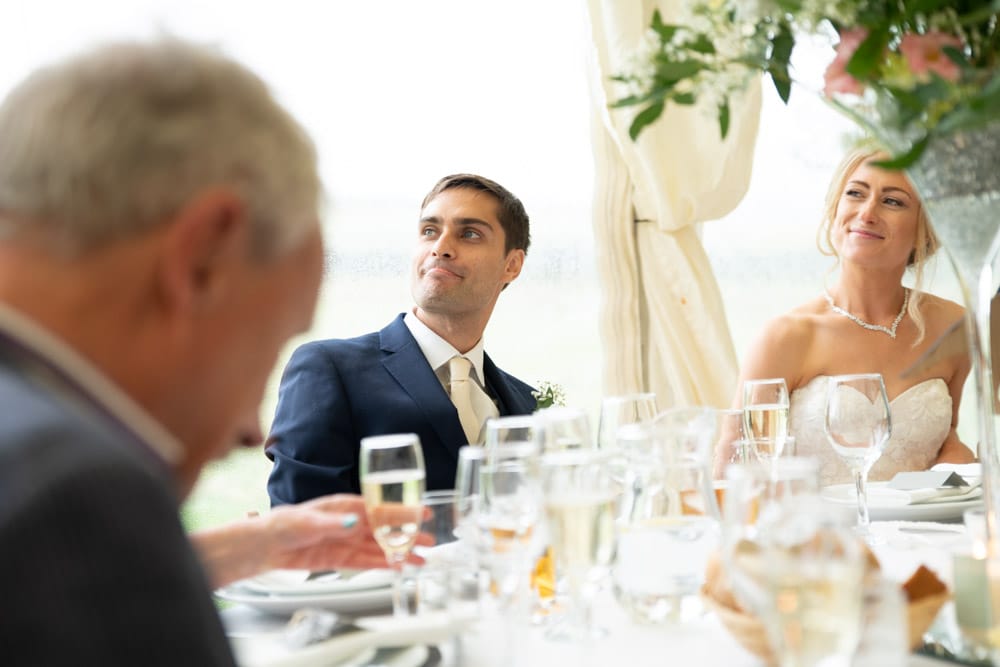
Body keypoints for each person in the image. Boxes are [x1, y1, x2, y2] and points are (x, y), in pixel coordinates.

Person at [0, 40, 421, 665]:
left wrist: (252, 546)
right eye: (269, 344)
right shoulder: (71, 490)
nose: (254, 430)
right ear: (202, 260)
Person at [266, 174, 536, 503]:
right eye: (429, 231)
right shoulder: (328, 370)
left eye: (469, 233)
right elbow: (302, 532)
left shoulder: (527, 404)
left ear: (512, 265)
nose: (440, 248)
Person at [718, 145, 975, 485]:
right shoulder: (786, 337)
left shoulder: (953, 326)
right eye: (855, 193)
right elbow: (732, 468)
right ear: (835, 209)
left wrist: (961, 466)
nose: (867, 213)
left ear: (923, 229)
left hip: (920, 534)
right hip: (813, 533)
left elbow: (947, 438)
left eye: (893, 201)